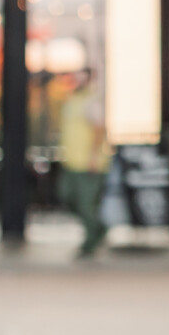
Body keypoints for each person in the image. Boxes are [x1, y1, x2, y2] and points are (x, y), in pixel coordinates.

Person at [53, 70, 108, 259]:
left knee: (86, 204)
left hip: (88, 164)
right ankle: (99, 227)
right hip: (71, 162)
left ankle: (91, 241)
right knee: (66, 196)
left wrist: (93, 157)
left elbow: (99, 129)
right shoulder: (71, 101)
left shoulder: (91, 101)